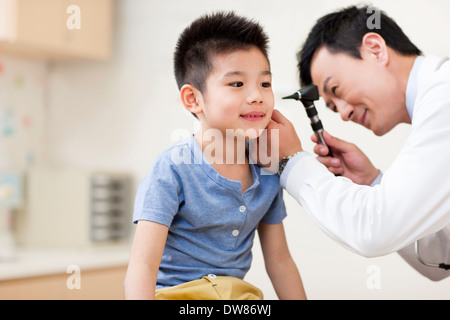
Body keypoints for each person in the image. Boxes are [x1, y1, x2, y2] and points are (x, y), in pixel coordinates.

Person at [124, 12, 306, 300]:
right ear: (193, 99)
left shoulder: (267, 166)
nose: (257, 96)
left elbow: (280, 260)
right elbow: (142, 265)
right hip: (179, 297)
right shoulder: (172, 169)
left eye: (265, 84)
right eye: (237, 84)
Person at [266, 5, 450, 281]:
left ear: (375, 48)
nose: (343, 113)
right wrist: (372, 182)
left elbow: (374, 231)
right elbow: (442, 258)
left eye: (336, 90)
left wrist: (292, 162)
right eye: (331, 105)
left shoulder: (444, 97)